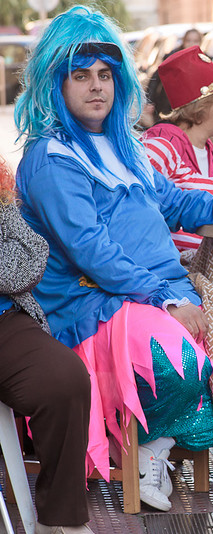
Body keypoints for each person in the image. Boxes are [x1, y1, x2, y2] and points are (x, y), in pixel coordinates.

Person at [13, 6, 213, 512]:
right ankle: (146, 450)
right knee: (181, 363)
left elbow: (177, 202)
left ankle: (154, 446)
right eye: (80, 76)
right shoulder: (49, 157)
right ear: (54, 84)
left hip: (158, 291)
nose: (96, 87)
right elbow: (91, 251)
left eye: (105, 74)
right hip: (94, 303)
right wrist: (166, 298)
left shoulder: (125, 146)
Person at [0, 155, 93, 533]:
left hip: (5, 322)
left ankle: (60, 521)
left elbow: (25, 265)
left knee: (65, 379)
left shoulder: (4, 205)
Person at [143, 45, 213, 261]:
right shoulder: (162, 144)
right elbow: (136, 215)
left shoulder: (206, 148)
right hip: (172, 276)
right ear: (202, 103)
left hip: (203, 267)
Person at [145, 28, 203, 122]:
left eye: (195, 41)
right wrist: (149, 101)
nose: (191, 44)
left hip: (191, 107)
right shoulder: (172, 58)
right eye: (188, 40)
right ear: (183, 42)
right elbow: (155, 78)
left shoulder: (203, 60)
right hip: (168, 105)